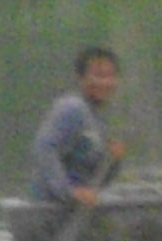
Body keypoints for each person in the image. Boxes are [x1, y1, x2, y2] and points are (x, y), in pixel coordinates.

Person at [30, 46, 126, 208]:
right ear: (80, 78)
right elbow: (44, 148)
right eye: (98, 75)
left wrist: (113, 161)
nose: (105, 82)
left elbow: (98, 180)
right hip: (52, 206)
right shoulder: (72, 108)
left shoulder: (97, 120)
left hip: (77, 208)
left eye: (110, 76)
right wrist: (69, 192)